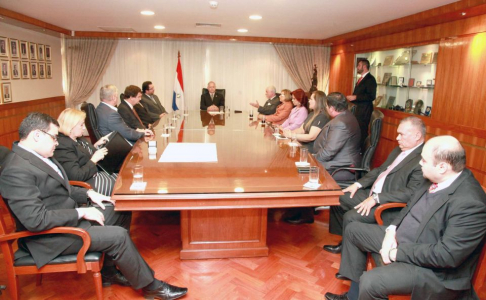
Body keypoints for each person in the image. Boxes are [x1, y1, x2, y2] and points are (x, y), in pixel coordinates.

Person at [0, 112, 188, 300]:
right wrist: (81, 212)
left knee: (118, 208)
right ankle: (151, 287)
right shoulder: (16, 170)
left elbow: (61, 189)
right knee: (118, 236)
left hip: (66, 222)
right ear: (37, 135)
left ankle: (109, 272)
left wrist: (89, 193)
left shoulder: (37, 156)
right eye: (54, 137)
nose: (57, 143)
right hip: (51, 237)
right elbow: (35, 220)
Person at [325, 135, 486, 300]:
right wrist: (391, 231)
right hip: (406, 241)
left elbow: (447, 255)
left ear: (442, 167)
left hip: (433, 270)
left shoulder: (471, 202)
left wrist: (396, 253)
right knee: (353, 230)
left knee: (372, 281)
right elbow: (409, 207)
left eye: (423, 160)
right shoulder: (434, 177)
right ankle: (353, 296)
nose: (420, 163)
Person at [324, 116, 427, 255]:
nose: (397, 138)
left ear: (417, 135)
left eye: (401, 134)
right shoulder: (399, 149)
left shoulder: (423, 159)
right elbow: (380, 169)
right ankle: (345, 239)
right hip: (372, 193)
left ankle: (348, 246)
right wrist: (358, 184)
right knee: (340, 197)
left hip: (387, 204)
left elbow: (411, 192)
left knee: (351, 216)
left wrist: (377, 198)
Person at [54, 108, 117, 196]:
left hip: (95, 174)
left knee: (123, 179)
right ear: (70, 126)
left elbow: (84, 153)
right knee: (120, 187)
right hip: (86, 184)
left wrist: (96, 145)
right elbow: (76, 176)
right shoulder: (63, 145)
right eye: (81, 125)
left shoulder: (78, 137)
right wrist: (94, 160)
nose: (84, 128)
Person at [314, 92, 361, 181]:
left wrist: (313, 160)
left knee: (304, 174)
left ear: (331, 108)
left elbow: (329, 152)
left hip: (341, 167)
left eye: (327, 106)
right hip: (339, 161)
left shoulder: (340, 123)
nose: (326, 108)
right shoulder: (347, 115)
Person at [346, 59, 377, 147]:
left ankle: (362, 153)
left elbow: (371, 96)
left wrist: (356, 97)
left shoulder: (370, 79)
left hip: (364, 111)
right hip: (357, 110)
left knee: (362, 132)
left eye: (359, 65)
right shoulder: (361, 79)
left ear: (364, 66)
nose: (357, 67)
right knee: (356, 131)